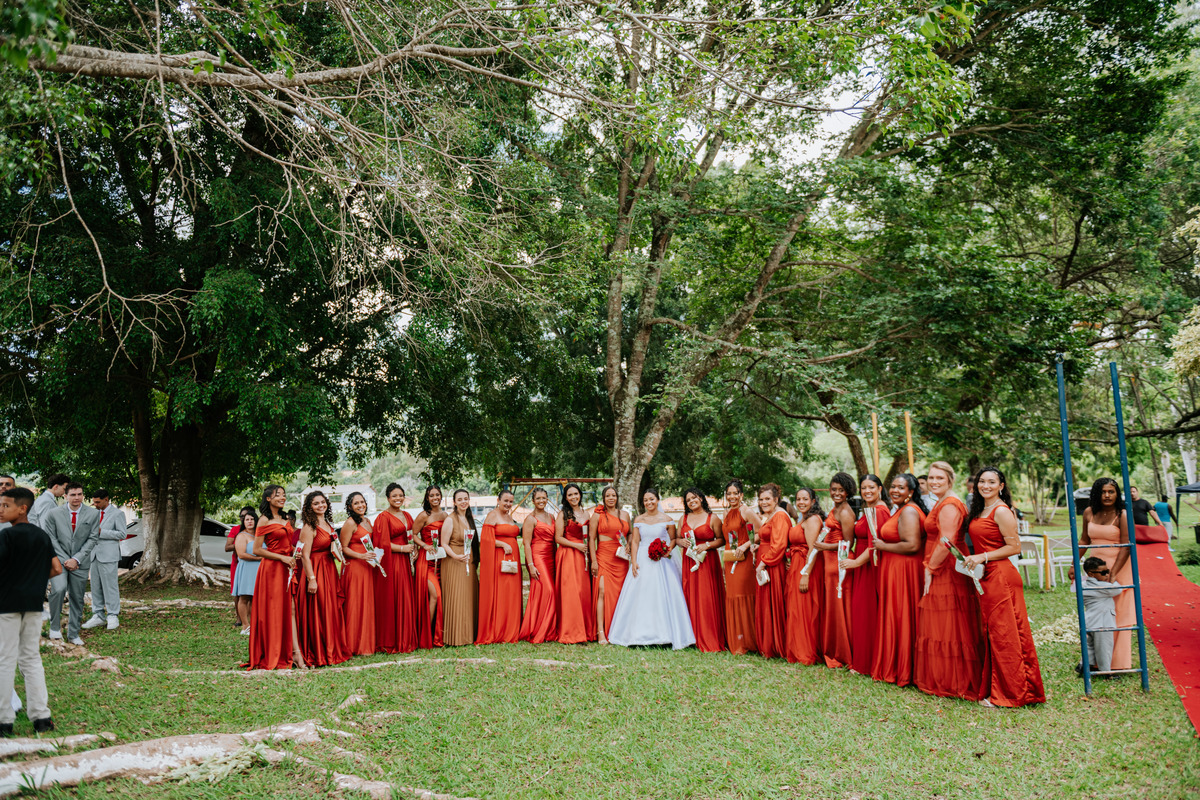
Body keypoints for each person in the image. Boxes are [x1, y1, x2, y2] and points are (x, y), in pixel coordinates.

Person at [962, 466, 1045, 707]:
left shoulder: (1001, 511)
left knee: (1006, 634)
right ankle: (997, 687)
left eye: (991, 482)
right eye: (982, 481)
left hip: (1001, 576)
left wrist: (983, 556)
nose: (985, 486)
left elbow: (1015, 547)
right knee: (995, 633)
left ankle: (1012, 693)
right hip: (987, 575)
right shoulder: (981, 509)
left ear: (1001, 486)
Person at [915, 461, 985, 701]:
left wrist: (930, 567)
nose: (934, 482)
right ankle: (942, 676)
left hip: (945, 567)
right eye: (931, 477)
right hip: (940, 563)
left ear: (950, 480)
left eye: (940, 478)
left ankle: (952, 680)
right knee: (942, 621)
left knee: (948, 623)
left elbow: (947, 540)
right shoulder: (943, 501)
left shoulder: (950, 504)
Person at [0, 487, 61, 736]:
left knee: (5, 660)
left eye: (6, 505)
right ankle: (41, 717)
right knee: (31, 659)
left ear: (22, 508)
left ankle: (4, 721)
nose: (1, 510)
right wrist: (34, 581)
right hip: (34, 605)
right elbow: (56, 569)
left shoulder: (6, 536)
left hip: (6, 605)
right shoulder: (41, 536)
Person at [607, 489, 695, 649]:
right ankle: (638, 634)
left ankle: (665, 635)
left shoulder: (667, 519)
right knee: (641, 594)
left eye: (651, 499)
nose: (649, 502)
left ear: (657, 500)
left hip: (662, 562)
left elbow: (673, 539)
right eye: (646, 500)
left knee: (662, 594)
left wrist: (667, 549)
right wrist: (634, 561)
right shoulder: (639, 519)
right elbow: (635, 541)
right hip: (643, 559)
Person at [870, 473, 927, 687]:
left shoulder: (910, 511)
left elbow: (912, 545)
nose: (895, 490)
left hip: (904, 570)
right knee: (898, 614)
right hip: (897, 569)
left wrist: (883, 546)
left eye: (901, 487)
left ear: (911, 492)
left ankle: (902, 668)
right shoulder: (902, 509)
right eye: (893, 486)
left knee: (901, 615)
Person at [1078, 477, 1133, 671]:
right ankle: (1094, 661)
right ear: (1096, 494)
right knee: (1096, 613)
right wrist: (1074, 563)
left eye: (1111, 491)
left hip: (1118, 568)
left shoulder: (1122, 515)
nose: (1107, 495)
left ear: (1117, 494)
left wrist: (1114, 573)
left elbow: (1126, 546)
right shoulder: (1089, 512)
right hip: (1095, 571)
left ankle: (1117, 663)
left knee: (1118, 615)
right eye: (1103, 492)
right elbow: (1084, 540)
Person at [249, 484, 305, 670]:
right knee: (274, 610)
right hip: (272, 569)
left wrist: (294, 552)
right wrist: (282, 557)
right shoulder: (264, 520)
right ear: (268, 498)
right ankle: (275, 651)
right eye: (278, 495)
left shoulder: (285, 518)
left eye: (284, 495)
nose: (282, 498)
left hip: (287, 567)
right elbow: (257, 550)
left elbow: (287, 544)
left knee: (291, 608)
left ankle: (295, 652)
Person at [839, 474, 888, 675]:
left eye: (871, 487)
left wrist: (856, 562)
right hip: (861, 564)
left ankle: (867, 663)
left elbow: (875, 544)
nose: (867, 491)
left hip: (868, 566)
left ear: (880, 489)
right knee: (861, 611)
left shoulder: (879, 511)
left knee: (866, 612)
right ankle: (861, 659)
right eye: (864, 488)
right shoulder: (869, 509)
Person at [295, 491, 349, 666]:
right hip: (316, 569)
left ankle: (332, 648)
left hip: (329, 569)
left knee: (330, 609)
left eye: (323, 502)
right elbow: (305, 555)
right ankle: (319, 652)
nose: (321, 505)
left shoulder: (327, 523)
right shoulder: (308, 527)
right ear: (309, 507)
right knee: (320, 609)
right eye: (316, 503)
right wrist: (311, 578)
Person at [44, 482, 99, 645]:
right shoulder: (53, 514)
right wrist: (65, 560)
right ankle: (54, 628)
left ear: (83, 495)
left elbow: (93, 538)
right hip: (58, 561)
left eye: (79, 494)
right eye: (73, 494)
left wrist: (76, 559)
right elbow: (50, 538)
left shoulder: (93, 514)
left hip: (80, 563)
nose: (77, 497)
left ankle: (73, 633)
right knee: (59, 589)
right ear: (65, 496)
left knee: (77, 597)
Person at [677, 488, 726, 652]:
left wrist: (707, 544)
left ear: (701, 498)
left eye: (694, 498)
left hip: (707, 562)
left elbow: (722, 540)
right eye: (688, 500)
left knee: (706, 598)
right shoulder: (683, 518)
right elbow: (677, 537)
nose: (692, 501)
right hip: (689, 561)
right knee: (689, 594)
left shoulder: (713, 518)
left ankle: (708, 635)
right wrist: (680, 542)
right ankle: (691, 637)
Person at [816, 472, 856, 668]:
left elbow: (848, 543)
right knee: (833, 606)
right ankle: (833, 647)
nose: (837, 493)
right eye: (834, 489)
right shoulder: (835, 508)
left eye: (841, 490)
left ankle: (844, 652)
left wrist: (825, 546)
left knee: (840, 607)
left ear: (848, 492)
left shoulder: (846, 512)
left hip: (839, 562)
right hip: (829, 560)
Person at [373, 483, 418, 654]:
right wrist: (402, 549)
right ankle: (394, 639)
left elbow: (412, 536)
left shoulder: (407, 515)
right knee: (397, 595)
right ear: (388, 498)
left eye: (401, 495)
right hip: (393, 562)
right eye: (394, 496)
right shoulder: (383, 518)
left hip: (407, 561)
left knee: (406, 596)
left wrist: (414, 549)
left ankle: (407, 637)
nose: (398, 498)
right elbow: (380, 543)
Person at [477, 490, 523, 645]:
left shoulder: (509, 516)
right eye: (505, 501)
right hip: (499, 558)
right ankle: (499, 629)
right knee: (502, 592)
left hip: (513, 559)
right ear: (498, 500)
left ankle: (511, 628)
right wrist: (502, 544)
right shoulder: (492, 515)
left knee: (511, 592)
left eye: (511, 501)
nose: (508, 504)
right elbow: (485, 538)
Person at [786, 487, 824, 665]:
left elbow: (813, 549)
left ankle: (805, 651)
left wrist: (806, 574)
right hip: (796, 566)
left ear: (813, 501)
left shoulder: (813, 520)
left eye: (805, 499)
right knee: (796, 608)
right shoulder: (803, 518)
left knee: (804, 609)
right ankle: (797, 648)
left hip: (806, 568)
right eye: (798, 499)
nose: (801, 502)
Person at [721, 480, 760, 655]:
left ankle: (749, 640)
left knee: (742, 595)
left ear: (741, 495)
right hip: (730, 558)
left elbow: (761, 532)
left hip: (744, 558)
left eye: (735, 493)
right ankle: (737, 639)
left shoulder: (747, 511)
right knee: (732, 595)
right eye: (729, 493)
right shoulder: (726, 512)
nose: (732, 496)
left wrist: (745, 546)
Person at [589, 485, 631, 645]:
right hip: (604, 557)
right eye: (608, 496)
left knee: (620, 593)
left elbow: (630, 533)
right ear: (603, 498)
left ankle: (618, 629)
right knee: (602, 591)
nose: (611, 498)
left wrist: (628, 544)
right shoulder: (597, 515)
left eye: (613, 495)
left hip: (621, 558)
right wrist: (593, 561)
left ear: (617, 497)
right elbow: (591, 539)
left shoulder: (625, 515)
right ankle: (600, 631)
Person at [555, 483, 595, 644]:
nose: (573, 497)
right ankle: (571, 630)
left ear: (580, 495)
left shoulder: (586, 513)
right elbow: (558, 538)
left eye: (576, 494)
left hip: (583, 556)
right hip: (568, 554)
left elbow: (591, 537)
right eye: (570, 495)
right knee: (571, 592)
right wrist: (576, 545)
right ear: (566, 498)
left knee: (583, 591)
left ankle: (585, 628)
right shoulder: (563, 514)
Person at [339, 491, 378, 656]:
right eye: (356, 503)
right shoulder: (350, 523)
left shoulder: (367, 521)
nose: (360, 505)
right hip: (355, 567)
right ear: (350, 507)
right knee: (355, 604)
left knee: (366, 603)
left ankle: (366, 642)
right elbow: (343, 548)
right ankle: (353, 644)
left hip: (368, 566)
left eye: (362, 502)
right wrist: (361, 556)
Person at [753, 484, 790, 659]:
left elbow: (779, 545)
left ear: (776, 499)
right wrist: (757, 547)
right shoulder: (770, 516)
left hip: (772, 565)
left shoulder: (780, 516)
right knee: (765, 603)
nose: (764, 502)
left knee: (773, 603)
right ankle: (766, 643)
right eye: (761, 499)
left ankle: (775, 645)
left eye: (767, 499)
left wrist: (763, 563)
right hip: (765, 561)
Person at [518, 488, 557, 644]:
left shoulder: (552, 517)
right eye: (538, 498)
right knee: (549, 591)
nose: (541, 501)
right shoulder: (530, 519)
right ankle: (540, 630)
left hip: (551, 557)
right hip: (538, 557)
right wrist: (531, 564)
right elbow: (526, 543)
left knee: (545, 593)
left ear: (547, 499)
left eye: (544, 498)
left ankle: (549, 630)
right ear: (533, 501)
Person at [81, 489, 123, 631]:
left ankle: (113, 615)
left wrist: (101, 532)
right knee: (95, 586)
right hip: (94, 555)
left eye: (98, 502)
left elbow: (121, 533)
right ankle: (98, 614)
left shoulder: (117, 514)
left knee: (110, 586)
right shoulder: (94, 514)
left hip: (109, 555)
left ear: (106, 499)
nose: (95, 504)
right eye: (94, 502)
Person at [439, 489, 477, 646]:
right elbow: (444, 543)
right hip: (454, 561)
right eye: (459, 499)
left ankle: (469, 633)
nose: (463, 502)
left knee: (468, 597)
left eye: (465, 499)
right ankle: (456, 636)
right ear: (454, 502)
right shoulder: (450, 519)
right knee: (457, 597)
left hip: (469, 560)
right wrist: (455, 556)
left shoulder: (469, 518)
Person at [412, 486, 447, 648]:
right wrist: (424, 546)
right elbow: (413, 535)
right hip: (426, 562)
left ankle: (435, 634)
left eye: (437, 495)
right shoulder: (423, 515)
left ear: (441, 496)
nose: (435, 498)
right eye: (431, 495)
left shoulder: (445, 516)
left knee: (440, 597)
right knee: (435, 596)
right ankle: (425, 636)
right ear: (427, 498)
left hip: (440, 561)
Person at [1079, 556, 1124, 674]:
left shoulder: (1083, 585)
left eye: (1108, 571)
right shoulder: (1101, 587)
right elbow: (1118, 589)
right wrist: (1113, 578)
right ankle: (1105, 671)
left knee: (1090, 646)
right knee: (1104, 648)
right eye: (1103, 573)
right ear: (1091, 574)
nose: (1107, 575)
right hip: (1103, 622)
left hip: (1090, 621)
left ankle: (1084, 665)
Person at [230, 509, 261, 634]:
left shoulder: (260, 535)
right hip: (247, 569)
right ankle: (245, 625)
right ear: (243, 522)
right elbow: (241, 554)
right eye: (247, 519)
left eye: (252, 519)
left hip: (258, 570)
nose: (249, 521)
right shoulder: (241, 536)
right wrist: (259, 558)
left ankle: (253, 624)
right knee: (244, 597)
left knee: (255, 598)